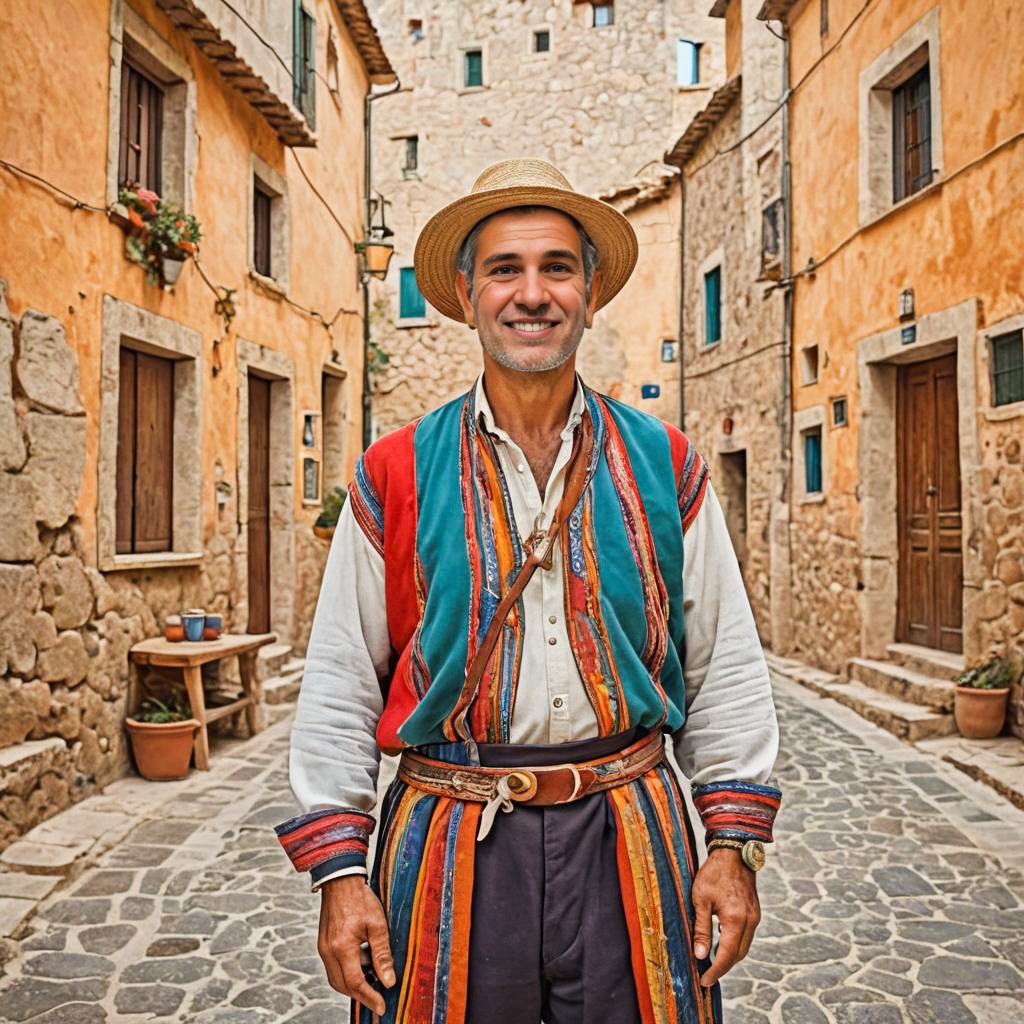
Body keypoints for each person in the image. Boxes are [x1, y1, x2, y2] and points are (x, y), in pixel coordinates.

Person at [275, 158, 781, 1024]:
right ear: (468, 294)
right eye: (505, 269)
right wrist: (340, 874)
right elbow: (340, 678)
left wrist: (731, 847)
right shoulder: (394, 470)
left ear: (591, 290)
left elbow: (723, 663)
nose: (532, 293)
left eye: (557, 267)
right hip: (446, 842)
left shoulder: (666, 463)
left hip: (631, 835)